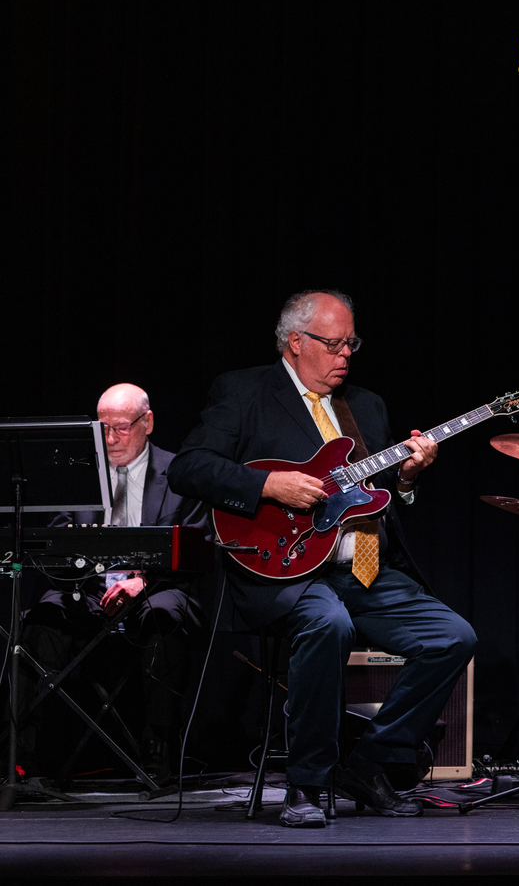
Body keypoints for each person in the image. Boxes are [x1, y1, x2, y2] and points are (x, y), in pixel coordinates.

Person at [169, 290, 476, 827]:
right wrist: (269, 485)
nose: (345, 355)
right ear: (295, 342)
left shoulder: (367, 406)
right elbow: (188, 468)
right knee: (328, 623)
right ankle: (307, 784)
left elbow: (376, 494)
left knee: (453, 637)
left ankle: (369, 761)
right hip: (283, 570)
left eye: (351, 343)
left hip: (363, 568)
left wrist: (407, 478)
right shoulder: (244, 391)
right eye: (333, 344)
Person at [14, 384, 207, 783]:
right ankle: (19, 756)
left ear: (147, 422)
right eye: (102, 428)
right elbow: (56, 544)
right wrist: (83, 570)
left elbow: (197, 547)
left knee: (164, 615)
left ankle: (158, 751)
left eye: (121, 427)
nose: (110, 439)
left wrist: (142, 582)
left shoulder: (181, 473)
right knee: (43, 618)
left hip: (156, 589)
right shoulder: (77, 473)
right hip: (87, 589)